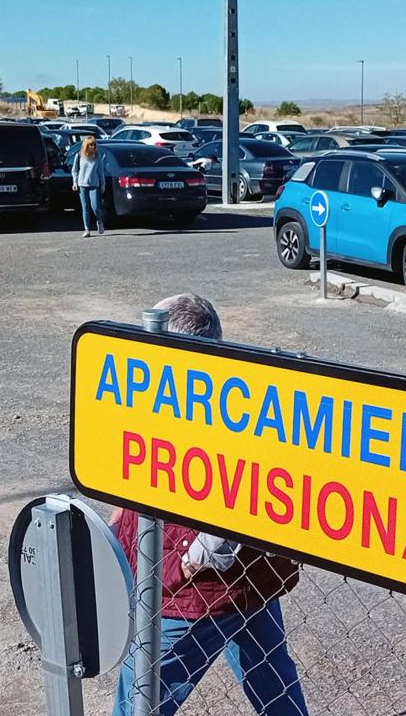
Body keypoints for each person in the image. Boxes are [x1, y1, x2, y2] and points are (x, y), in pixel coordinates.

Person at [111, 294, 308, 716]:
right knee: (271, 675)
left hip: (196, 590)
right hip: (252, 576)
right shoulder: (189, 395)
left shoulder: (217, 409)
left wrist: (192, 561)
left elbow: (242, 496)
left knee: (141, 693)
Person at [71, 135, 105, 237]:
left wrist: (103, 184)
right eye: (91, 144)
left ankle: (99, 221)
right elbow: (75, 170)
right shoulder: (79, 156)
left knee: (95, 207)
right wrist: (75, 182)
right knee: (85, 208)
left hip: (94, 184)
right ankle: (87, 229)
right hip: (82, 184)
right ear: (86, 145)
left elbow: (100, 172)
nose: (93, 146)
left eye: (94, 144)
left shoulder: (97, 157)